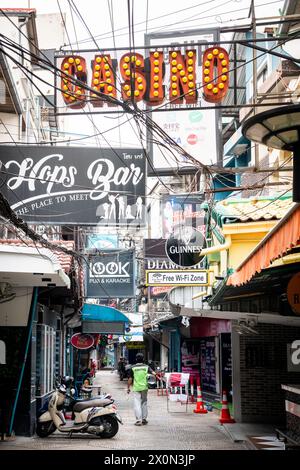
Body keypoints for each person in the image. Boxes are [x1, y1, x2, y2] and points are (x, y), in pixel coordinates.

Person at [127, 353, 157, 426]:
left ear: (136, 359)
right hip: (144, 388)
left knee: (137, 403)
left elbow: (130, 379)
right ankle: (144, 419)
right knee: (144, 403)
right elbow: (154, 373)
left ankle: (138, 421)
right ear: (143, 359)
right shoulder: (146, 367)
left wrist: (128, 388)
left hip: (136, 388)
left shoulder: (132, 367)